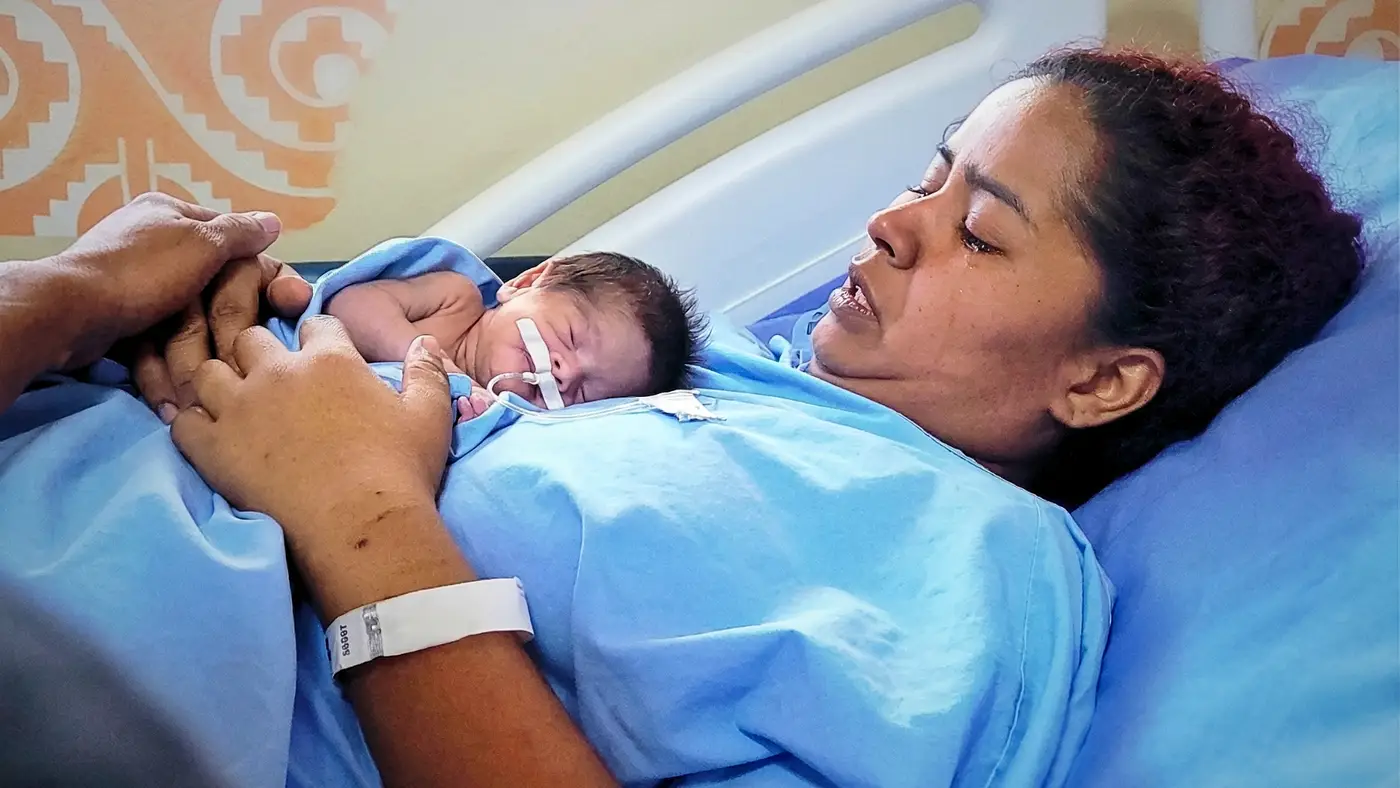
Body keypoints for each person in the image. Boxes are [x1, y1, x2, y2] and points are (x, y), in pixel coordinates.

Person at [0, 48, 1363, 787]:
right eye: (929, 174)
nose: (890, 221)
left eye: (980, 232)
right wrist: (100, 295)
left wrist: (357, 517)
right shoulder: (716, 364)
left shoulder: (976, 583)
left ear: (1102, 381)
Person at [324, 251, 704, 421]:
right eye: (570, 336)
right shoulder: (455, 300)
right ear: (526, 283)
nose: (566, 373)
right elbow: (351, 307)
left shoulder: (502, 420)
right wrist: (437, 369)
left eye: (585, 392)